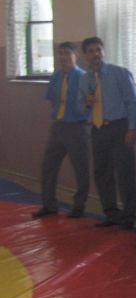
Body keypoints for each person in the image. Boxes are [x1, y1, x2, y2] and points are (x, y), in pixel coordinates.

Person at [78, 37, 136, 230]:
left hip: (119, 127)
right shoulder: (85, 79)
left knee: (125, 173)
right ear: (85, 56)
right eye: (91, 51)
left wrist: (132, 128)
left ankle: (129, 216)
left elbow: (133, 102)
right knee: (102, 172)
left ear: (103, 52)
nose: (95, 54)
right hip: (98, 129)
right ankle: (112, 213)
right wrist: (86, 103)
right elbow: (80, 108)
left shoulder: (119, 73)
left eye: (98, 49)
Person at [32, 42, 90, 219]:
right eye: (60, 53)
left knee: (81, 168)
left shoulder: (83, 77)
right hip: (58, 126)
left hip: (77, 127)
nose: (63, 57)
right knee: (48, 166)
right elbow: (53, 100)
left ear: (75, 56)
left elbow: (91, 103)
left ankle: (79, 206)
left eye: (67, 53)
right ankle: (49, 205)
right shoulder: (56, 77)